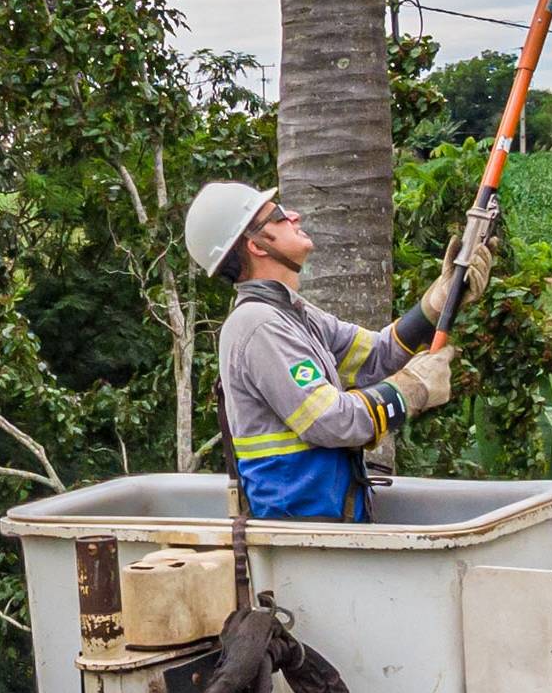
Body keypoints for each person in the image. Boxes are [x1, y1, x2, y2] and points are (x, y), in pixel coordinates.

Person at [183, 181, 491, 521]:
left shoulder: (292, 313)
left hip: (328, 524)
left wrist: (440, 299)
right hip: (301, 533)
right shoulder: (259, 326)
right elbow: (331, 421)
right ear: (256, 245)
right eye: (280, 215)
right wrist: (410, 390)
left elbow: (377, 355)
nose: (295, 216)